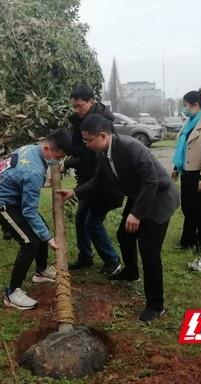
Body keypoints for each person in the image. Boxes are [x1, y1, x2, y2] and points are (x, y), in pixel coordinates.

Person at [60, 114, 179, 323]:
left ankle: (155, 305)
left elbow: (151, 182)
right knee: (124, 235)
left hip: (159, 197)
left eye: (89, 140)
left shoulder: (132, 148)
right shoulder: (102, 153)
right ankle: (131, 272)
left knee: (149, 250)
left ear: (103, 136)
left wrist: (136, 214)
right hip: (139, 195)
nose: (86, 144)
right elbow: (99, 180)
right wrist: (75, 192)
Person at [0, 129, 71, 310]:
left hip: (11, 198)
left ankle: (41, 270)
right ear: (47, 147)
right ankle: (12, 293)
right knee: (30, 242)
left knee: (40, 228)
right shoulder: (33, 171)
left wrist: (44, 234)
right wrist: (48, 238)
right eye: (57, 156)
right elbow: (29, 211)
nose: (58, 161)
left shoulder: (31, 149)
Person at [64, 85, 122, 275]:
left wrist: (70, 163)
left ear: (91, 101)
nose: (76, 110)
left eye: (79, 106)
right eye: (73, 106)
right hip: (89, 180)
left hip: (103, 183)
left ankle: (113, 261)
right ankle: (86, 257)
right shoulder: (80, 121)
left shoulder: (101, 125)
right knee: (81, 219)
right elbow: (79, 150)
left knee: (92, 222)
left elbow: (94, 160)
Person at [171, 89, 201, 253]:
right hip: (186, 171)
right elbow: (183, 148)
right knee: (188, 207)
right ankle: (188, 240)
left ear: (196, 105)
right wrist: (176, 168)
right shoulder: (189, 122)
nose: (184, 109)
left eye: (186, 105)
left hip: (200, 173)